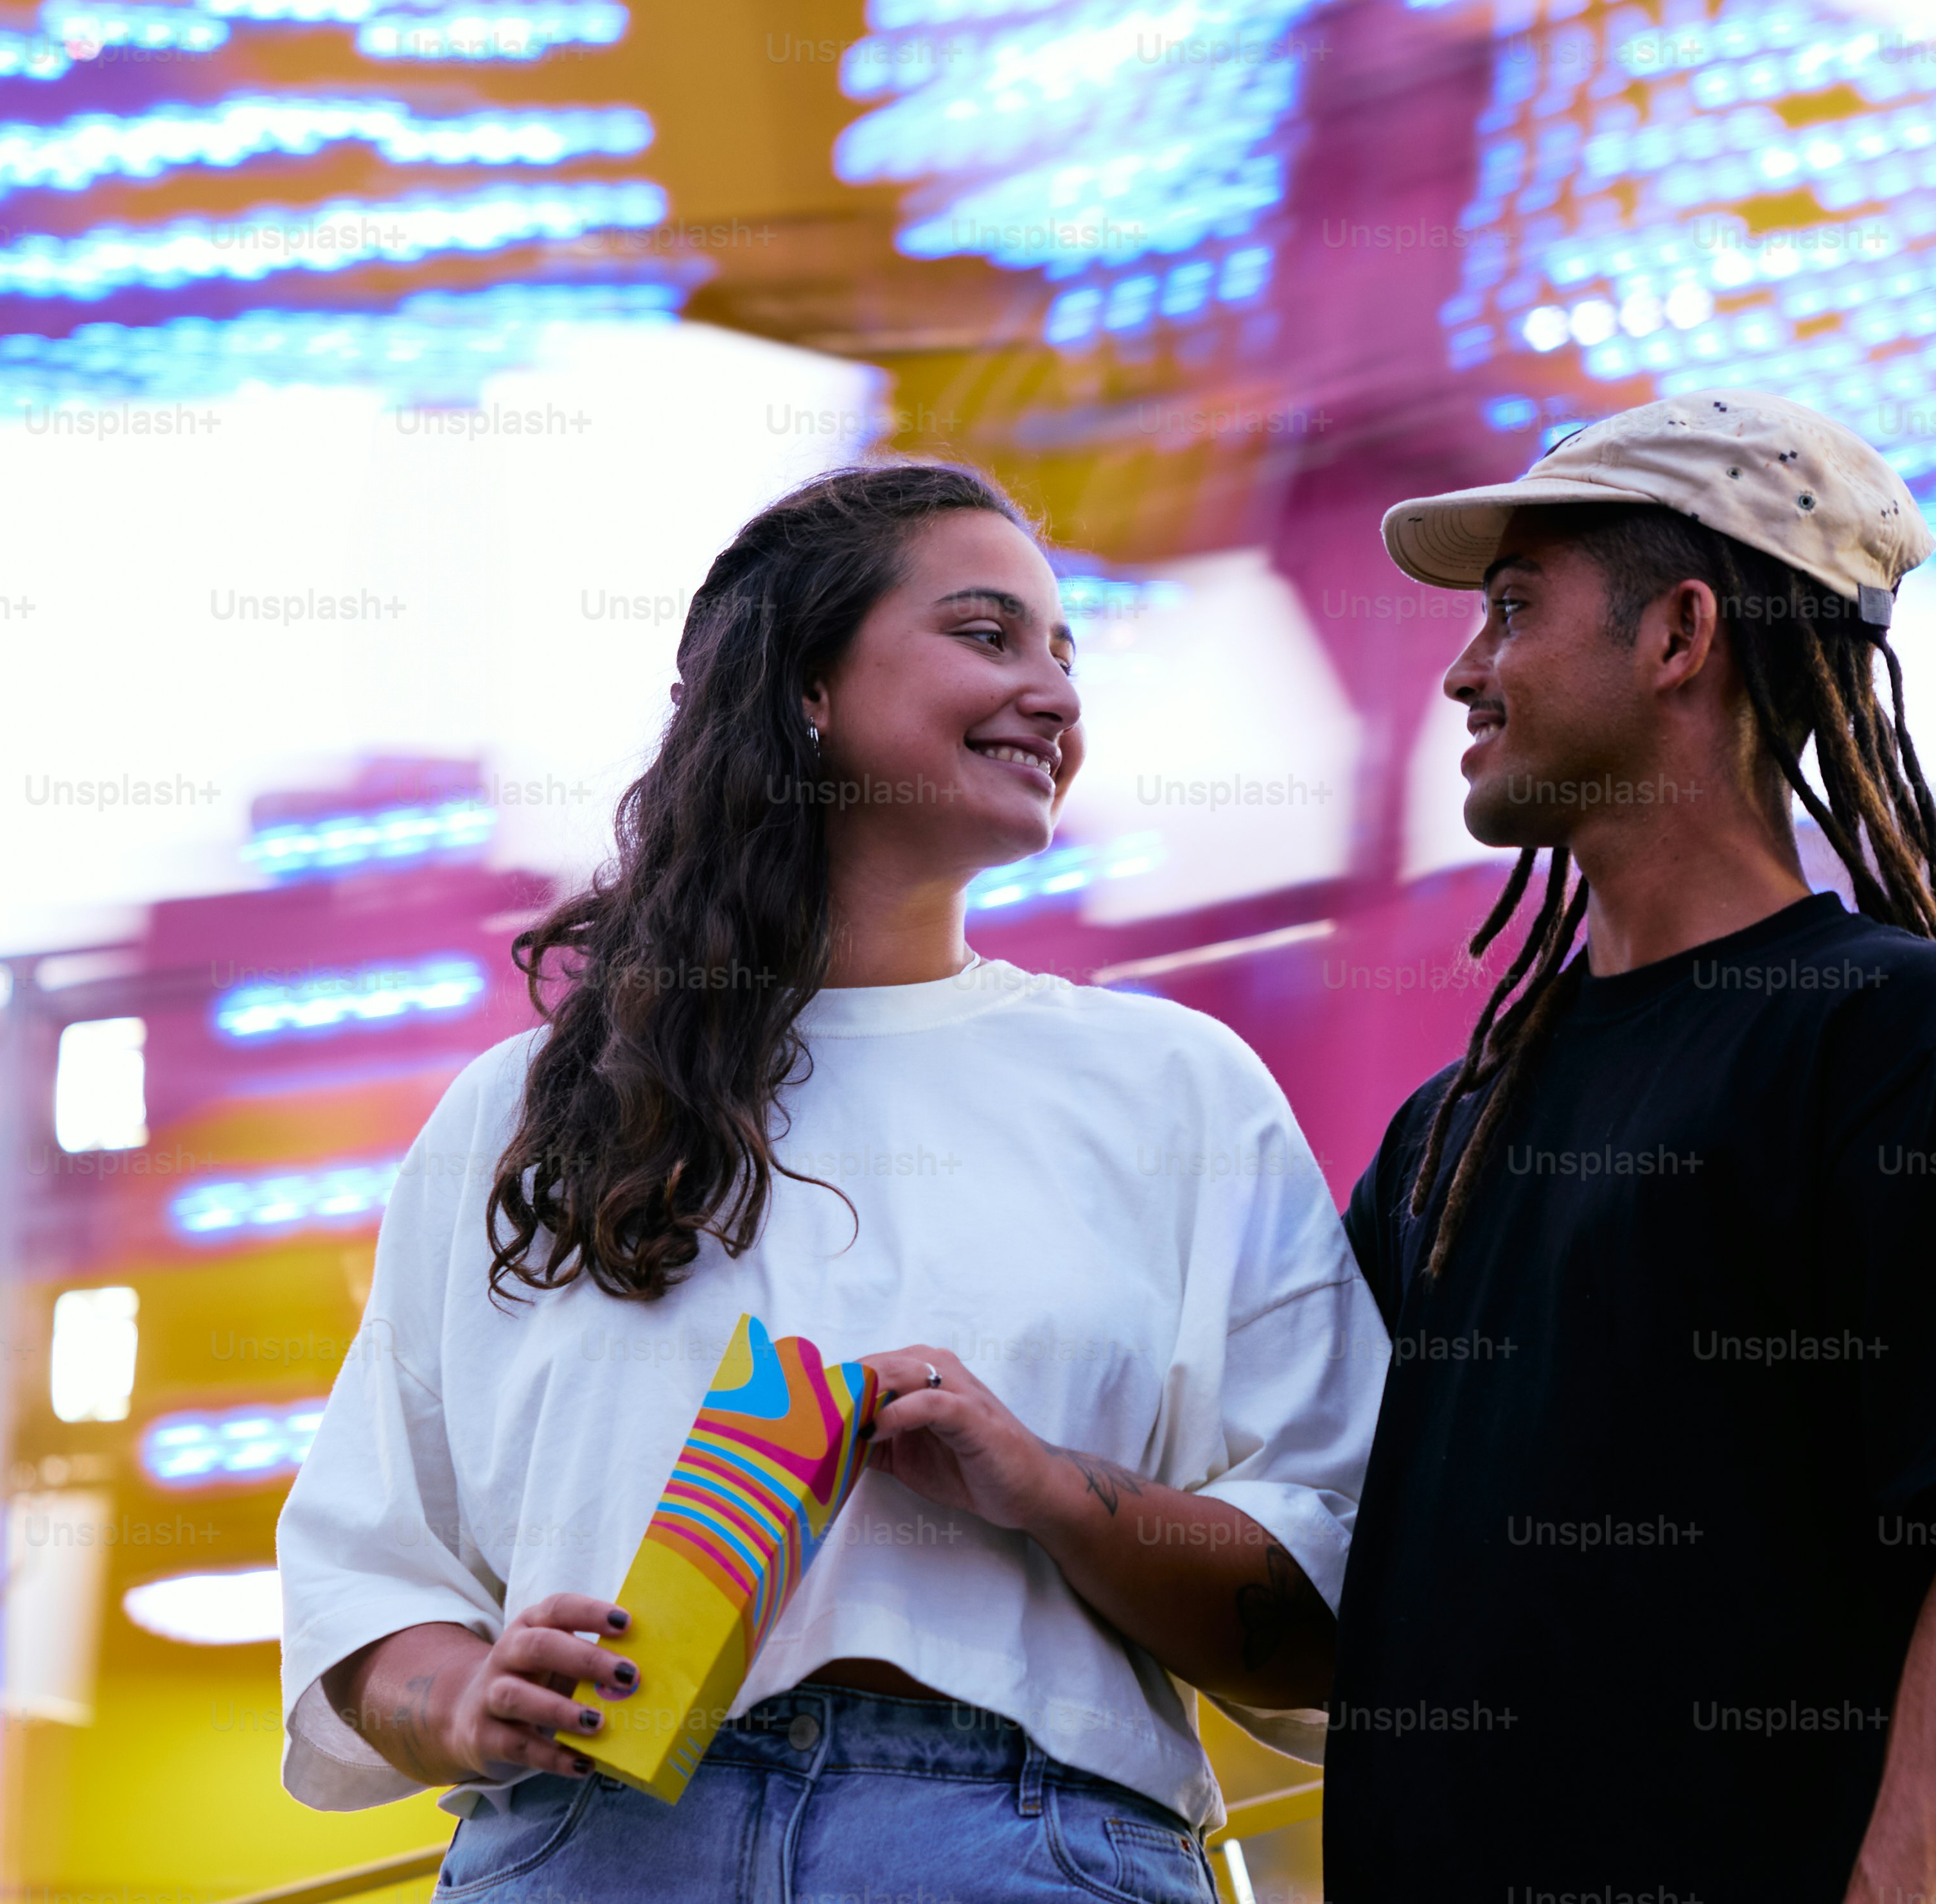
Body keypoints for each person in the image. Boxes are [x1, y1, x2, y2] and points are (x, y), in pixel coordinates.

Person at [276, 461, 1386, 1901]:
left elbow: (1327, 1606)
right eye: (989, 638)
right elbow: (372, 1581)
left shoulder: (1180, 1088)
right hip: (585, 1848)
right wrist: (475, 1700)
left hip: (1028, 1849)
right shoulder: (525, 1112)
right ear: (805, 682)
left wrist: (1050, 1490)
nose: (1056, 696)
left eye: (1066, 654)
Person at [1326, 391, 1936, 1900]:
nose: (1464, 675)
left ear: (1680, 637)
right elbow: (1310, 1550)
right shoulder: (1451, 1134)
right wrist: (1025, 1479)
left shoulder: (1896, 1033)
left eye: (1509, 610)